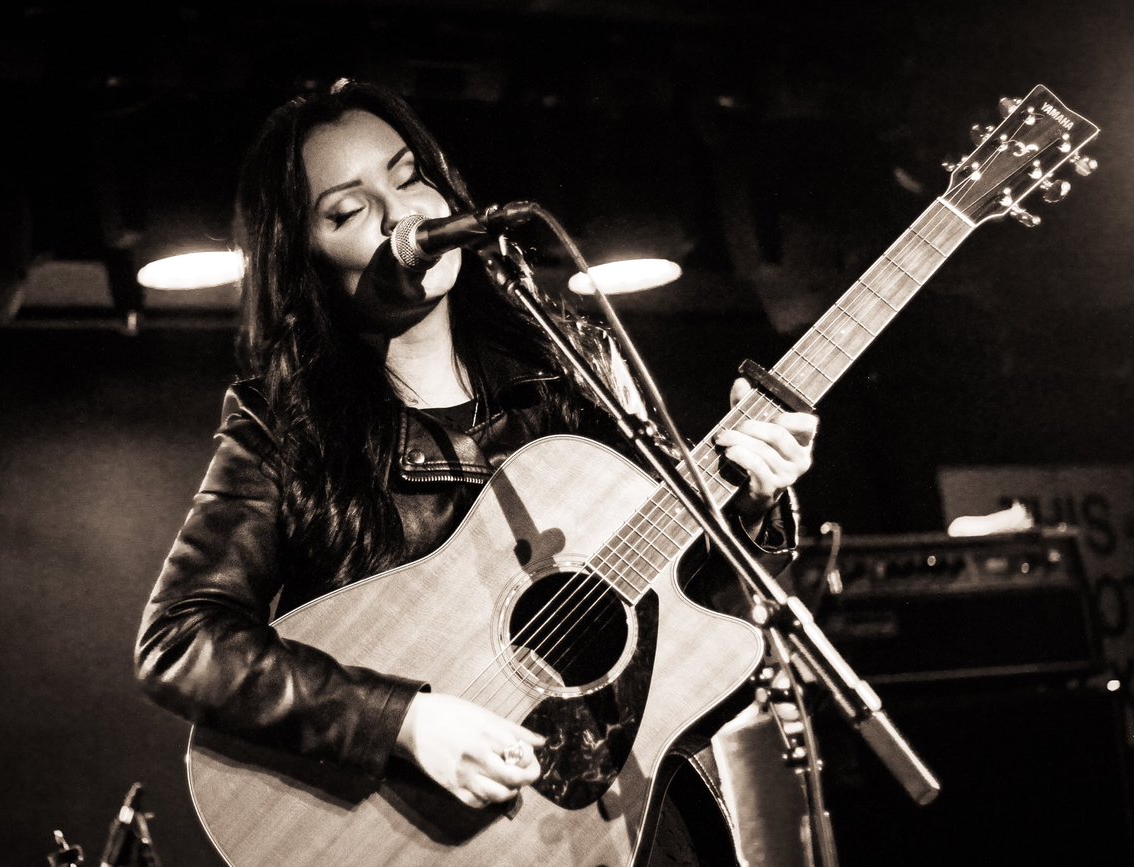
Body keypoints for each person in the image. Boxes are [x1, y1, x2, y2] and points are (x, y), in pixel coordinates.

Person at [135, 78, 818, 864]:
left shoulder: (575, 367)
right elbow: (180, 640)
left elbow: (693, 608)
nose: (403, 217)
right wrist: (404, 721)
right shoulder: (285, 422)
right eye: (349, 210)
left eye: (408, 176)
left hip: (628, 813)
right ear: (305, 256)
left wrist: (755, 502)